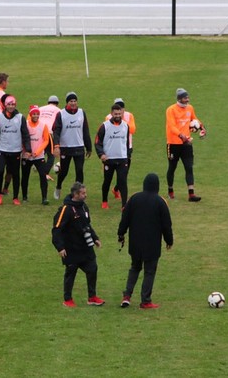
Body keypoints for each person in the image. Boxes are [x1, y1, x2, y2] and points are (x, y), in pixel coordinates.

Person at [117, 173, 173, 309]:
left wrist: (121, 233)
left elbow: (125, 218)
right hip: (152, 244)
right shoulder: (160, 202)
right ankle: (145, 300)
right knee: (149, 271)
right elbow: (166, 224)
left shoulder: (134, 199)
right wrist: (169, 240)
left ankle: (127, 295)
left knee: (135, 268)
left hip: (135, 242)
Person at [51, 182, 105, 307]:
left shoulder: (84, 207)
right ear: (75, 194)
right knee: (71, 273)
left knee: (92, 269)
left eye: (85, 193)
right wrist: (60, 247)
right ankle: (68, 299)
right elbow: (56, 229)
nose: (85, 195)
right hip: (71, 248)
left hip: (85, 247)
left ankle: (92, 297)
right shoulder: (66, 209)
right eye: (83, 193)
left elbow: (87, 225)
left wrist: (95, 238)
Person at [165, 88, 206, 202]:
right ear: (179, 99)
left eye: (188, 97)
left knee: (189, 167)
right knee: (172, 167)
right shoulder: (171, 110)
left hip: (186, 143)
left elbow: (195, 120)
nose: (187, 99)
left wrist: (202, 128)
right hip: (173, 143)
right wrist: (181, 135)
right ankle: (170, 190)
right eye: (185, 97)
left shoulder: (190, 108)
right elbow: (172, 126)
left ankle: (191, 194)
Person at [0, 95, 32, 205]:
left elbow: (25, 134)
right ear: (5, 105)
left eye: (13, 104)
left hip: (15, 150)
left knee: (15, 174)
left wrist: (28, 149)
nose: (11, 106)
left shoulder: (20, 118)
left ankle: (15, 197)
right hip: (1, 149)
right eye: (9, 104)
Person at [51, 92, 92, 200]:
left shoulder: (82, 113)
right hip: (66, 147)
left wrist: (89, 147)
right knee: (64, 171)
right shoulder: (61, 114)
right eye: (71, 101)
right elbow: (56, 131)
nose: (73, 103)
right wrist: (56, 146)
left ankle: (78, 194)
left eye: (74, 101)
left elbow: (85, 130)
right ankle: (58, 187)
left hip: (79, 147)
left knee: (79, 170)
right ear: (67, 102)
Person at [95, 103, 130, 209]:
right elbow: (97, 142)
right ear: (111, 114)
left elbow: (127, 142)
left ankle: (124, 205)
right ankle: (104, 201)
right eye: (116, 114)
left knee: (122, 181)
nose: (118, 116)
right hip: (109, 159)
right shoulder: (104, 126)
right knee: (107, 181)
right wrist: (101, 154)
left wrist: (127, 156)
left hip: (122, 159)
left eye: (119, 114)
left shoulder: (125, 126)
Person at [105, 97, 136, 200]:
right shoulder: (108, 117)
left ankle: (116, 189)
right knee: (114, 175)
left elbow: (132, 129)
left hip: (127, 148)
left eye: (122, 107)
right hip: (113, 150)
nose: (121, 109)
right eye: (119, 107)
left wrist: (122, 122)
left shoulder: (129, 115)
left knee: (124, 174)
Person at [21, 105, 50, 205]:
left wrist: (37, 152)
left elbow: (46, 140)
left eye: (37, 114)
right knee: (25, 176)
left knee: (43, 175)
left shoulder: (43, 125)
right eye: (34, 114)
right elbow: (22, 138)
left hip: (39, 156)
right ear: (30, 114)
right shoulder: (25, 125)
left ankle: (44, 197)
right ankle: (24, 197)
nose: (36, 115)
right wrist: (25, 151)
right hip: (27, 156)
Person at [39, 95, 60, 180]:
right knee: (51, 155)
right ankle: (45, 173)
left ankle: (38, 167)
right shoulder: (59, 111)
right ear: (57, 103)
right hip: (48, 133)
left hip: (38, 132)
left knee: (41, 153)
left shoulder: (40, 109)